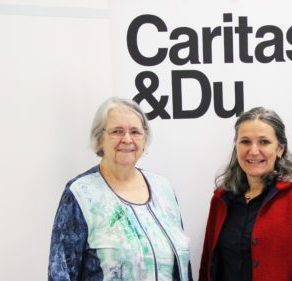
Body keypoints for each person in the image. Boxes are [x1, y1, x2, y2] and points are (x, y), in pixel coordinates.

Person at [48, 97, 192, 281]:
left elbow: (183, 266)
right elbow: (62, 272)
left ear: (145, 138)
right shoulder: (82, 193)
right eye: (117, 131)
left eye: (135, 132)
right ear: (100, 139)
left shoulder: (163, 188)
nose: (127, 139)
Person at [199, 107, 292, 281]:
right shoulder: (221, 198)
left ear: (280, 149)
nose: (253, 150)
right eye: (245, 141)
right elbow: (208, 265)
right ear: (236, 147)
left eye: (264, 142)